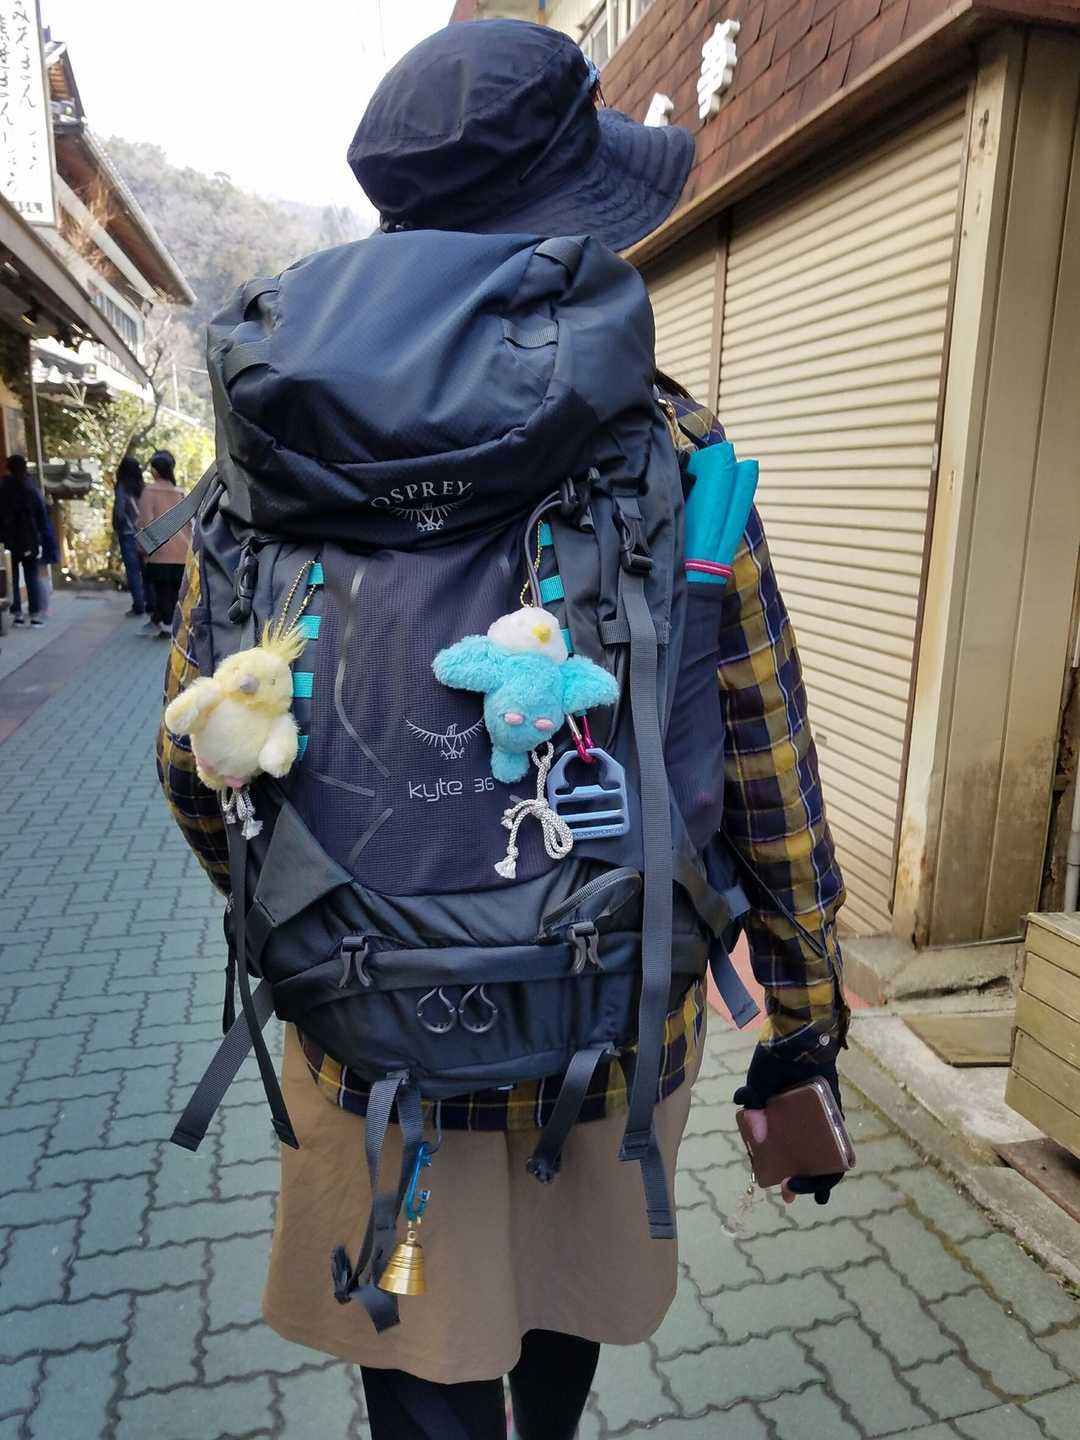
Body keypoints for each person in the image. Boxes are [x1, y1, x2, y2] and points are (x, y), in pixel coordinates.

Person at [158, 21, 847, 1439]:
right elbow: (766, 767)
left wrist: (334, 912)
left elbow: (193, 760)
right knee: (558, 1324)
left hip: (367, 1038)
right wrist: (805, 1021)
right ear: (561, 221)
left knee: (416, 1360)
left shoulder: (271, 454)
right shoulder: (669, 447)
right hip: (608, 1023)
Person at [137, 450, 188, 637]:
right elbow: (189, 523)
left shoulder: (149, 492)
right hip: (183, 550)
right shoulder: (180, 493)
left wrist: (144, 550)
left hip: (159, 551)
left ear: (155, 471)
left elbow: (145, 523)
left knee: (163, 591)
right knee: (176, 592)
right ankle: (171, 624)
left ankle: (167, 626)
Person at [0, 454, 49, 626]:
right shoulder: (31, 488)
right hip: (30, 539)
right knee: (31, 576)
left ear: (8, 468)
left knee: (11, 578)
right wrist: (42, 537)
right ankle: (35, 615)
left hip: (8, 540)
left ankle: (17, 614)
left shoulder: (3, 488)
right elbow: (42, 514)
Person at [112, 454, 147, 617]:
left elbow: (120, 510)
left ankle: (138, 605)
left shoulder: (122, 486)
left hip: (127, 532)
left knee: (133, 571)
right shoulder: (143, 486)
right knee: (146, 570)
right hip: (145, 533)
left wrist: (117, 526)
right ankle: (151, 603)